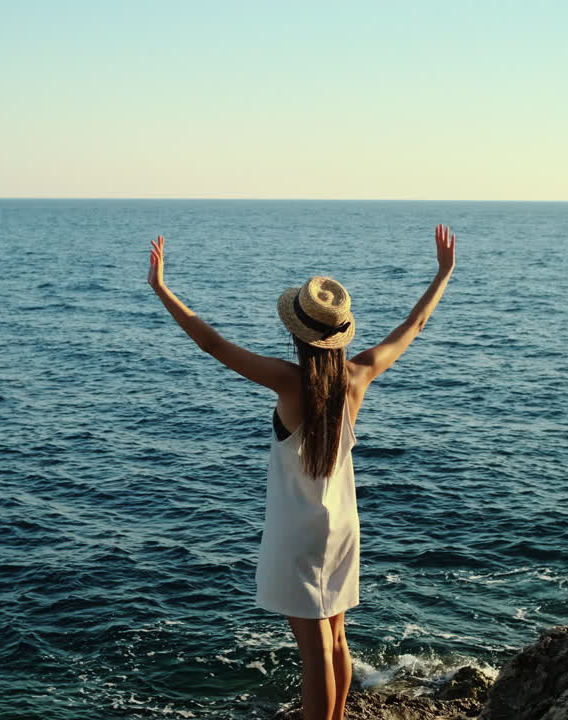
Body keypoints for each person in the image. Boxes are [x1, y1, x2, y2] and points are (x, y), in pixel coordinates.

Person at [147, 225, 457, 720]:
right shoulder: (359, 375)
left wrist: (161, 287)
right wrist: (444, 273)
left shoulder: (288, 384)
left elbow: (211, 343)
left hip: (297, 535)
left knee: (315, 655)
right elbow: (414, 325)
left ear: (298, 331)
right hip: (342, 529)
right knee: (336, 641)